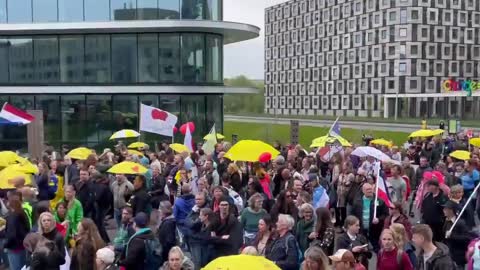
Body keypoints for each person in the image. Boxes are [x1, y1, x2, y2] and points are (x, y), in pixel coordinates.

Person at [351, 182, 388, 252]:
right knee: (362, 250)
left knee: (378, 249)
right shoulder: (357, 202)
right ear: (363, 191)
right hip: (361, 230)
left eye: (371, 189)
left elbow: (386, 214)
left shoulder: (380, 201)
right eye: (367, 189)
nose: (370, 191)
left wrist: (379, 219)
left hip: (375, 230)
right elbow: (353, 215)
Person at [3, 191, 30, 270]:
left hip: (14, 247)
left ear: (10, 204)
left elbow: (12, 234)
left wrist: (6, 245)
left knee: (16, 267)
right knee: (23, 267)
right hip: (22, 246)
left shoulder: (12, 216)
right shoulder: (22, 212)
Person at [442, 200, 472, 269]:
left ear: (452, 210)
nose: (443, 210)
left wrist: (452, 236)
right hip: (450, 255)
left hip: (459, 256)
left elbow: (467, 238)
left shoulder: (460, 223)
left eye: (446, 209)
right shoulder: (447, 221)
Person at [336, 161, 354, 227]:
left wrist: (342, 182)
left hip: (347, 196)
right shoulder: (341, 174)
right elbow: (338, 184)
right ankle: (342, 224)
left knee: (346, 211)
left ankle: (345, 225)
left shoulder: (351, 175)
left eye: (344, 166)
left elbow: (347, 184)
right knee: (341, 210)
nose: (343, 167)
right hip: (340, 195)